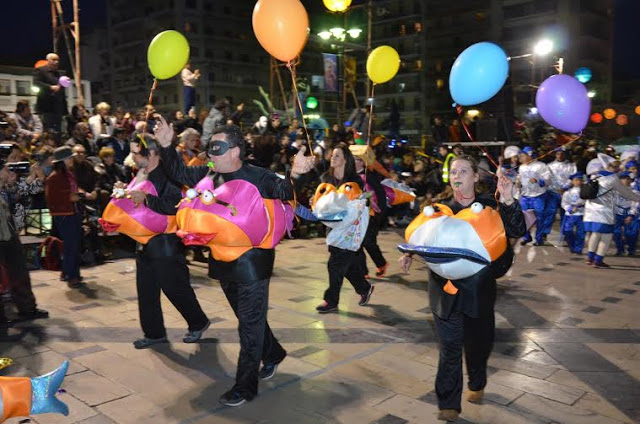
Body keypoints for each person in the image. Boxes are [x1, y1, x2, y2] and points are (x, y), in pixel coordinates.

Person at [154, 117, 315, 407]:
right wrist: (166, 145)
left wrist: (299, 175)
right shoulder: (208, 174)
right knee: (248, 318)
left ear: (235, 151)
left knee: (248, 326)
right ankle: (274, 353)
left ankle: (245, 386)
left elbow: (284, 192)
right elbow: (177, 171)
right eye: (210, 147)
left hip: (253, 261)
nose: (211, 153)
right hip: (222, 259)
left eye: (217, 147)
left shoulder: (260, 176)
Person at [399, 155, 525, 422]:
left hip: (479, 289)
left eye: (464, 171)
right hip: (443, 290)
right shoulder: (440, 209)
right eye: (454, 171)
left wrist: (509, 199)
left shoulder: (491, 206)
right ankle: (448, 403)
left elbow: (517, 229)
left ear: (476, 177)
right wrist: (409, 253)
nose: (457, 175)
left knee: (478, 345)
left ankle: (477, 381)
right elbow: (420, 237)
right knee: (450, 347)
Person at [123, 135, 210, 349]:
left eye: (135, 152)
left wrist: (146, 199)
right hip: (144, 240)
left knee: (176, 288)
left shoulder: (166, 174)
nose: (132, 157)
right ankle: (154, 334)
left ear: (151, 153)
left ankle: (198, 322)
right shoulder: (142, 173)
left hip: (165, 242)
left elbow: (174, 205)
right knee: (146, 290)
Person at [315, 143, 375, 313]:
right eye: (332, 155)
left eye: (337, 156)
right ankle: (364, 288)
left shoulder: (354, 180)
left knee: (334, 264)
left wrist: (363, 201)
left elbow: (362, 203)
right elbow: (319, 199)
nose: (333, 158)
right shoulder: (325, 178)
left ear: (345, 160)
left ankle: (331, 301)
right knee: (345, 266)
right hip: (332, 228)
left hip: (349, 229)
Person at [0, 158, 49, 327]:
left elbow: (18, 197)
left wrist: (21, 182)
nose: (10, 172)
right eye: (6, 169)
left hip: (9, 233)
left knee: (19, 271)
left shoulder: (6, 187)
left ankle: (28, 308)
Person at [584, 157, 640, 268]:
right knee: (607, 236)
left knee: (595, 234)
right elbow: (626, 193)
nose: (617, 169)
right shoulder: (613, 178)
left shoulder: (594, 175)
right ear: (608, 167)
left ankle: (590, 258)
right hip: (604, 212)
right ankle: (598, 260)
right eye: (615, 167)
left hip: (590, 211)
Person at [44, 146, 84, 288]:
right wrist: (72, 197)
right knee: (70, 246)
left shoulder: (68, 173)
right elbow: (52, 198)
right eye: (69, 158)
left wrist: (80, 193)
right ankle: (71, 275)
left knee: (73, 245)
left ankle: (69, 272)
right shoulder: (54, 177)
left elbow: (73, 190)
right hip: (64, 214)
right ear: (63, 160)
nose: (72, 159)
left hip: (72, 212)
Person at [354, 153, 389, 278]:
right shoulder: (349, 176)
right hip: (355, 215)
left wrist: (381, 214)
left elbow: (380, 194)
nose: (354, 161)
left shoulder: (370, 177)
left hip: (371, 215)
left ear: (363, 162)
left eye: (357, 159)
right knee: (357, 244)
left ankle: (381, 263)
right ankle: (363, 271)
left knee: (369, 243)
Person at [517, 146, 551, 246]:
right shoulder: (521, 167)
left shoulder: (541, 166)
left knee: (539, 218)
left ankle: (539, 239)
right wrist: (518, 183)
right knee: (523, 217)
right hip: (525, 196)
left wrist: (538, 180)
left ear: (530, 155)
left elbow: (548, 179)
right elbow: (520, 178)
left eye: (523, 156)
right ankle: (526, 237)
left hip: (538, 196)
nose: (521, 158)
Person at [34, 53, 68, 138]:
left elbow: (62, 90)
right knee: (48, 132)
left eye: (57, 60)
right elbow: (36, 83)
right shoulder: (41, 70)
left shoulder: (59, 74)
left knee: (58, 133)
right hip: (46, 108)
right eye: (53, 60)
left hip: (58, 108)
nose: (56, 62)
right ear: (48, 60)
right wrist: (50, 87)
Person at [613, 172, 639, 256]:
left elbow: (636, 204)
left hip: (629, 213)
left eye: (627, 179)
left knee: (631, 233)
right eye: (623, 179)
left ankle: (631, 250)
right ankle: (620, 250)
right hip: (617, 213)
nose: (625, 181)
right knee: (616, 233)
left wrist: (631, 215)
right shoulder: (615, 191)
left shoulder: (634, 191)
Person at [561, 172, 586, 254]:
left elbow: (586, 201)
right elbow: (564, 203)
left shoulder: (585, 191)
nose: (578, 181)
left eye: (580, 180)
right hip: (570, 215)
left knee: (581, 232)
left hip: (581, 214)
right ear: (572, 181)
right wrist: (568, 208)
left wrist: (580, 204)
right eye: (576, 180)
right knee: (568, 231)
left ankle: (578, 248)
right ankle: (572, 246)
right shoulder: (568, 192)